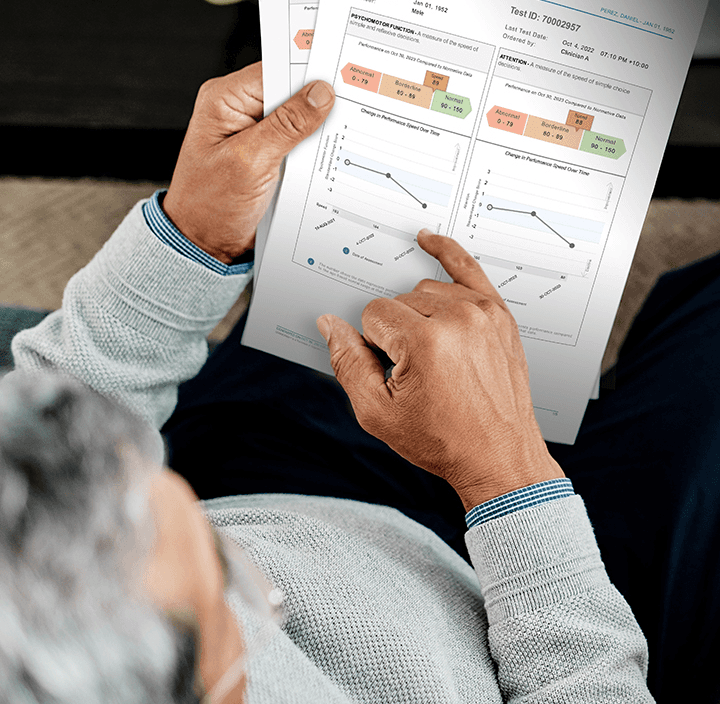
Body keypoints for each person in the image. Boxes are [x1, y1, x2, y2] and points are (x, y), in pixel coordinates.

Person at [3, 61, 718, 703]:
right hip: (538, 648)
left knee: (367, 225)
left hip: (287, 496)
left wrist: (191, 239)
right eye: (226, 588)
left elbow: (72, 420)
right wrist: (509, 474)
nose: (258, 588)